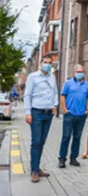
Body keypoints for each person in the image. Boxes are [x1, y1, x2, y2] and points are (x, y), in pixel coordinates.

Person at [24, 54, 58, 183]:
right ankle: (33, 171)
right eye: (46, 62)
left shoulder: (52, 77)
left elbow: (55, 92)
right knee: (36, 142)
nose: (48, 65)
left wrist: (55, 105)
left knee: (42, 142)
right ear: (40, 63)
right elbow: (27, 95)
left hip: (48, 114)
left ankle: (37, 168)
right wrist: (28, 113)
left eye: (50, 63)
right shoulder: (33, 77)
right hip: (36, 113)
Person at [58, 64, 88, 168]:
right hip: (70, 115)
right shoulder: (68, 83)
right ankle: (62, 159)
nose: (80, 73)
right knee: (66, 137)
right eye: (78, 72)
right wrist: (65, 110)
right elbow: (63, 96)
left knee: (77, 137)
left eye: (81, 72)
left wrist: (87, 110)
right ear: (74, 72)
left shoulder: (87, 85)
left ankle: (73, 158)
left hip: (81, 115)